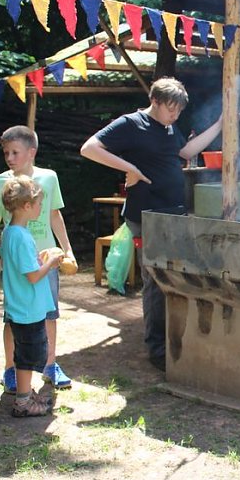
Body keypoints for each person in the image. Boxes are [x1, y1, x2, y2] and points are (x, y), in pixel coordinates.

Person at [79, 77, 221, 371]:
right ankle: (157, 349)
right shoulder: (131, 124)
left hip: (173, 213)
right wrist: (129, 167)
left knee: (176, 276)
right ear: (154, 101)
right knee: (155, 281)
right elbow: (89, 148)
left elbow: (185, 152)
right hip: (146, 216)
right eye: (171, 110)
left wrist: (220, 125)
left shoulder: (169, 127)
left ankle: (175, 338)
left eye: (179, 111)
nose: (175, 116)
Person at [0, 126, 76, 394]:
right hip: (17, 264)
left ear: (32, 152)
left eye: (15, 152)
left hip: (47, 259)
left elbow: (54, 215)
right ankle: (11, 369)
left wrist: (67, 249)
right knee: (13, 317)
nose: (9, 158)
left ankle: (50, 365)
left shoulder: (48, 178)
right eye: (6, 152)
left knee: (49, 313)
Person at [0, 176, 64, 417]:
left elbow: (23, 266)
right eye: (38, 204)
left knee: (25, 353)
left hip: (20, 306)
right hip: (27, 309)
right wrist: (52, 262)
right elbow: (34, 277)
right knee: (27, 357)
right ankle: (23, 403)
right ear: (26, 206)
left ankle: (25, 394)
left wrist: (40, 258)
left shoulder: (11, 232)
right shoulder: (21, 237)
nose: (40, 208)